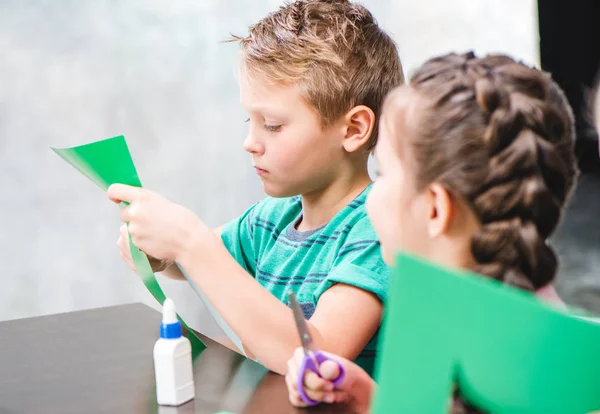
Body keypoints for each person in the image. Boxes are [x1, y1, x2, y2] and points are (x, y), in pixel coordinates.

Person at [109, 0, 405, 375]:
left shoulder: (378, 231)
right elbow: (189, 264)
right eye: (249, 120)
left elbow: (320, 358)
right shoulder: (271, 221)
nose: (250, 141)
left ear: (353, 129)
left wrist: (189, 242)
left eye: (272, 124)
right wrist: (162, 253)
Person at [285, 51, 578, 413]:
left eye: (384, 174)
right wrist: (365, 398)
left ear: (435, 209)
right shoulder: (545, 331)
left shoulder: (454, 337)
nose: (373, 192)